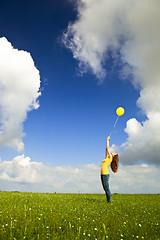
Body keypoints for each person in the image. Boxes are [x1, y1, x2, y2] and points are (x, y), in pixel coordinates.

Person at [101, 136, 118, 203]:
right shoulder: (107, 157)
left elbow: (108, 148)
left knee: (106, 188)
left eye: (114, 153)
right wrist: (107, 145)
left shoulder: (110, 158)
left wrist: (107, 140)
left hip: (105, 174)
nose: (113, 152)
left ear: (113, 156)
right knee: (105, 188)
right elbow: (106, 149)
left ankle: (110, 202)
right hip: (103, 174)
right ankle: (109, 201)